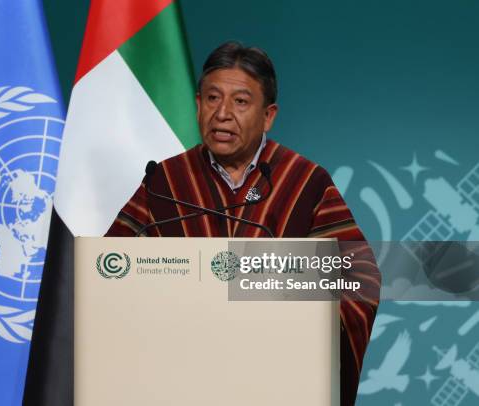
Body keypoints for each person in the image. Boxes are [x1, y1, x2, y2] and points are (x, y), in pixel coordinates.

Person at [106, 41, 380, 405]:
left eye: (240, 101)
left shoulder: (303, 183)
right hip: (178, 381)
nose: (222, 113)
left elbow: (357, 276)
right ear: (197, 104)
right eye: (212, 98)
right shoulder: (166, 182)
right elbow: (108, 274)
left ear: (268, 116)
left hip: (276, 383)